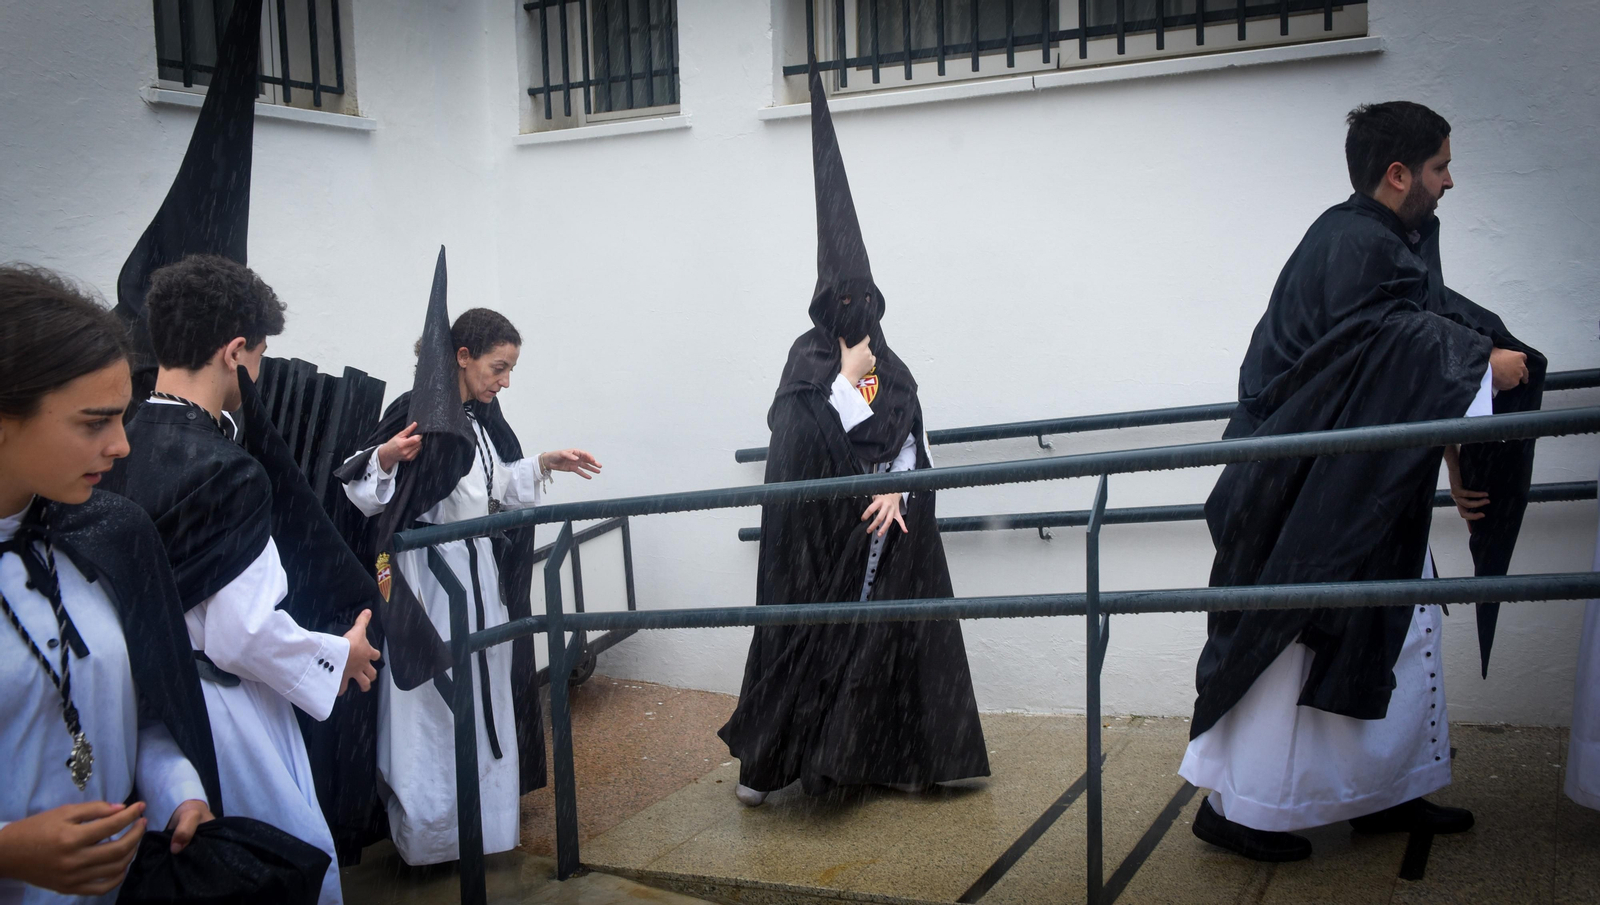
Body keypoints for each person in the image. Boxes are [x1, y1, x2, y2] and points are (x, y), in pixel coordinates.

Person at [1179, 101, 1546, 862]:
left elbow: (1411, 334)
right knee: (1290, 644)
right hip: (1300, 489)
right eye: (1441, 166)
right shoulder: (1351, 243)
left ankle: (1386, 790)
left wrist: (1450, 439)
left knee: (1402, 634)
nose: (1452, 181)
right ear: (1398, 173)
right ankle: (1235, 807)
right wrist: (1479, 363)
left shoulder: (1391, 239)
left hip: (1360, 487)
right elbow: (1376, 348)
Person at [715, 64, 990, 807]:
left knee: (880, 648)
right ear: (822, 305)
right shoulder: (805, 363)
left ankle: (868, 758)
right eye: (843, 300)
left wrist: (900, 487)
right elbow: (800, 442)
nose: (855, 309)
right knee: (805, 638)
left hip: (882, 537)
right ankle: (774, 760)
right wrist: (842, 375)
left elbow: (906, 435)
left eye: (864, 300)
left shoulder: (890, 366)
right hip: (818, 543)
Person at [102, 255, 377, 905]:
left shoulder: (117, 441)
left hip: (134, 714)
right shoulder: (227, 467)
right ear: (234, 352)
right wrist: (341, 655)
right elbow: (239, 632)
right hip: (217, 712)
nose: (255, 374)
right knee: (278, 862)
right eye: (258, 357)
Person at [337, 250, 602, 866]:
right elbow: (356, 487)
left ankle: (480, 832)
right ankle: (433, 840)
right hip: (430, 584)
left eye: (509, 369)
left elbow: (488, 488)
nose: (504, 381)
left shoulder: (477, 423)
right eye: (498, 367)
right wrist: (385, 460)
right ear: (461, 356)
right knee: (433, 705)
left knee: (486, 694)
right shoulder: (416, 413)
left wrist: (541, 464)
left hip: (476, 575)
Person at [0, 265, 218, 903]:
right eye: (93, 422)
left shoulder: (111, 533)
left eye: (121, 417)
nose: (122, 446)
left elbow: (143, 706)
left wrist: (179, 787)